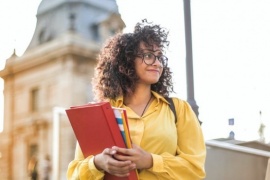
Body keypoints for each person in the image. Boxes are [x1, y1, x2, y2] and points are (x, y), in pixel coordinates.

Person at [67, 19, 206, 179]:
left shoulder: (178, 109)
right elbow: (74, 175)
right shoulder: (100, 113)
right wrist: (98, 163)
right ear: (127, 60)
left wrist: (150, 161)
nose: (157, 63)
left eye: (160, 57)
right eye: (148, 55)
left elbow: (195, 170)